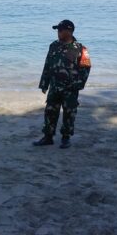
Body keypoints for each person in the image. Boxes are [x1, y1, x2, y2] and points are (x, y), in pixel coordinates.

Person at [33, 19, 90, 149]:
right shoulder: (53, 46)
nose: (58, 33)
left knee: (69, 113)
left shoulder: (80, 49)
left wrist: (78, 84)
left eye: (60, 30)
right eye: (57, 30)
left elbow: (86, 68)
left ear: (69, 31)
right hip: (54, 87)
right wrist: (44, 83)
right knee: (50, 111)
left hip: (70, 88)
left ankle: (66, 137)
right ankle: (48, 137)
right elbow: (47, 65)